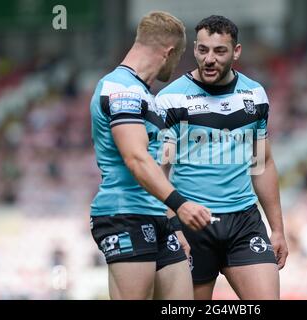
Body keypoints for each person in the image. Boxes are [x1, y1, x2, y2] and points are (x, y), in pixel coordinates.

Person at [156, 15, 288, 300]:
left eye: (219, 51)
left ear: (236, 52)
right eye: (203, 50)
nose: (209, 59)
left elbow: (261, 163)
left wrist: (277, 229)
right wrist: (172, 226)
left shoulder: (254, 95)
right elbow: (158, 171)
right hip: (192, 224)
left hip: (243, 222)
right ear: (194, 49)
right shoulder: (170, 100)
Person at [89, 11, 211, 300]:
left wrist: (173, 222)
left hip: (156, 216)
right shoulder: (121, 89)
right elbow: (136, 159)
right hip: (124, 214)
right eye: (179, 56)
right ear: (169, 52)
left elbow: (155, 166)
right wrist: (181, 205)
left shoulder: (145, 95)